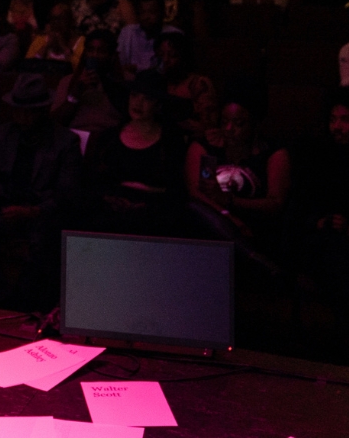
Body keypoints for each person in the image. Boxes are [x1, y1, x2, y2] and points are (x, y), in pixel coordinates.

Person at [0, 73, 82, 309]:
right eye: (17, 109)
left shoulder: (65, 142)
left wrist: (31, 211)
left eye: (28, 110)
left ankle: (24, 305)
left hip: (43, 216)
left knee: (42, 246)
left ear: (42, 110)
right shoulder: (2, 134)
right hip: (5, 209)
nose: (21, 116)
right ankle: (6, 300)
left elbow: (67, 196)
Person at [185, 90, 291, 276]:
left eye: (238, 123)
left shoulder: (272, 153)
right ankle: (256, 260)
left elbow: (275, 203)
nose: (228, 129)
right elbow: (197, 195)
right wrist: (228, 216)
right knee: (195, 213)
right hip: (213, 225)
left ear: (254, 124)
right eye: (224, 121)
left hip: (253, 226)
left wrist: (231, 202)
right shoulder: (207, 148)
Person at [84, 70, 186, 237]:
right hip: (110, 215)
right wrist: (111, 200)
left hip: (155, 217)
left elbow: (177, 191)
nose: (138, 102)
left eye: (148, 98)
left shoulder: (171, 141)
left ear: (158, 105)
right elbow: (93, 183)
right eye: (135, 95)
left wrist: (146, 202)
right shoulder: (108, 138)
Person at [289, 90, 349, 325]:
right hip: (321, 240)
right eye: (333, 120)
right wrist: (319, 222)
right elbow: (301, 208)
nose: (337, 127)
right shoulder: (320, 156)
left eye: (344, 120)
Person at [51, 28, 127, 137]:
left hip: (110, 139)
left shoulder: (126, 81)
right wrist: (75, 94)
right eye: (90, 50)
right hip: (75, 138)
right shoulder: (69, 81)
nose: (94, 55)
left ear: (112, 55)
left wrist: (108, 84)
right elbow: (55, 121)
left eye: (101, 51)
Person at [156, 31, 219, 142]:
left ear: (184, 57)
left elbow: (208, 127)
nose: (165, 60)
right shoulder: (160, 82)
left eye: (172, 55)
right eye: (161, 55)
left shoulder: (199, 83)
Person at [117, 0, 180, 75]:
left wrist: (136, 68)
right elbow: (120, 65)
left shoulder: (174, 34)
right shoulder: (128, 32)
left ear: (162, 13)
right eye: (142, 12)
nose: (146, 17)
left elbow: (171, 68)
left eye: (152, 12)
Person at [26, 2, 84, 72]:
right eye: (53, 18)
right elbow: (28, 66)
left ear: (70, 21)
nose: (56, 22)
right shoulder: (40, 40)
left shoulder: (82, 42)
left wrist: (63, 47)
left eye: (61, 19)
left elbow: (78, 69)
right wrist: (46, 46)